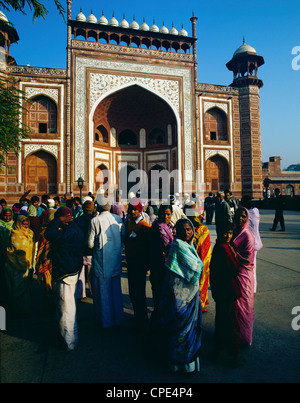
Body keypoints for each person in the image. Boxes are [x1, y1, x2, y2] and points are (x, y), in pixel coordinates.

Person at [157, 218, 204, 376]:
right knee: (180, 330)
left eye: (189, 229)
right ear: (176, 231)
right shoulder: (177, 245)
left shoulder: (190, 247)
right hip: (180, 295)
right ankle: (178, 363)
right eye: (182, 229)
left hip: (190, 294)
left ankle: (187, 363)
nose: (186, 232)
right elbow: (196, 268)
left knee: (189, 330)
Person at [45, 207, 85, 351]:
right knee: (70, 306)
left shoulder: (68, 232)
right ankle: (71, 338)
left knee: (66, 308)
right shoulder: (75, 229)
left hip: (66, 272)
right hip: (72, 270)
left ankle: (68, 341)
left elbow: (49, 234)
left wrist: (57, 220)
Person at [209, 222, 244, 367]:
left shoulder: (221, 246)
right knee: (232, 324)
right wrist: (236, 258)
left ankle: (218, 350)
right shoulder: (224, 248)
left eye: (230, 233)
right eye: (225, 233)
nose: (228, 236)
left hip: (221, 291)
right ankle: (234, 355)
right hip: (228, 291)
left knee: (221, 321)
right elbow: (234, 268)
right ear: (219, 232)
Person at [88, 196, 125, 328]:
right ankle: (118, 318)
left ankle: (106, 321)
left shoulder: (95, 220)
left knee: (103, 291)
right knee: (116, 290)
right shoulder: (118, 219)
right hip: (115, 258)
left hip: (101, 260)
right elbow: (124, 237)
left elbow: (90, 244)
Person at [124, 197, 151, 330]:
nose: (133, 212)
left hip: (139, 264)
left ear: (140, 211)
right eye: (131, 210)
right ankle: (138, 315)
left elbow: (148, 247)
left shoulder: (144, 226)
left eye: (135, 210)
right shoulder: (130, 224)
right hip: (131, 262)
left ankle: (142, 319)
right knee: (133, 291)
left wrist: (146, 265)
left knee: (139, 291)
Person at [232, 207, 255, 348]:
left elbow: (247, 259)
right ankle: (235, 334)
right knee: (235, 307)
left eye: (243, 216)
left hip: (244, 275)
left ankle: (245, 338)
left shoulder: (247, 235)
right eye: (238, 216)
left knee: (244, 308)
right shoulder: (235, 231)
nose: (240, 218)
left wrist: (231, 254)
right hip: (234, 273)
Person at [5, 215, 35, 315]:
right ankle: (17, 310)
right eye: (24, 224)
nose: (26, 226)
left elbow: (32, 248)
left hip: (27, 264)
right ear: (18, 224)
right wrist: (21, 263)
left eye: (27, 224)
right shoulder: (15, 234)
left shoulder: (30, 233)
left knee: (26, 288)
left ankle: (25, 309)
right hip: (16, 266)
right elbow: (14, 250)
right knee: (17, 288)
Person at [149, 204, 174, 315]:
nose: (165, 216)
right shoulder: (158, 227)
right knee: (159, 293)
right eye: (163, 214)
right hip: (158, 265)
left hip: (168, 266)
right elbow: (167, 246)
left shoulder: (171, 227)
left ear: (171, 215)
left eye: (168, 214)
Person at [190, 210, 211, 312]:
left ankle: (201, 302)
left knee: (202, 281)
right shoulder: (189, 229)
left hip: (202, 260)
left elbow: (203, 247)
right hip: (192, 261)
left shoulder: (204, 230)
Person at [241, 196, 263, 293]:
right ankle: (252, 288)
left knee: (248, 267)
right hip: (256, 243)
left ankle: (250, 288)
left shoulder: (245, 215)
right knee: (253, 265)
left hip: (248, 243)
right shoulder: (255, 212)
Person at [35, 209, 56, 311]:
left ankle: (49, 303)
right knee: (51, 284)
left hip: (47, 260)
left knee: (48, 284)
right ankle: (50, 304)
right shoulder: (53, 230)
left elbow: (40, 248)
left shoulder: (43, 230)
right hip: (51, 260)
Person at [76, 200, 95, 300]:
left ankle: (80, 294)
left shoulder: (78, 220)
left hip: (80, 250)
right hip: (91, 251)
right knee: (91, 275)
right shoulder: (95, 220)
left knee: (80, 275)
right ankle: (93, 292)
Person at [0, 207, 14, 304]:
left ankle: (10, 296)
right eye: (5, 215)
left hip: (11, 254)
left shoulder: (13, 224)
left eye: (9, 215)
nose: (7, 217)